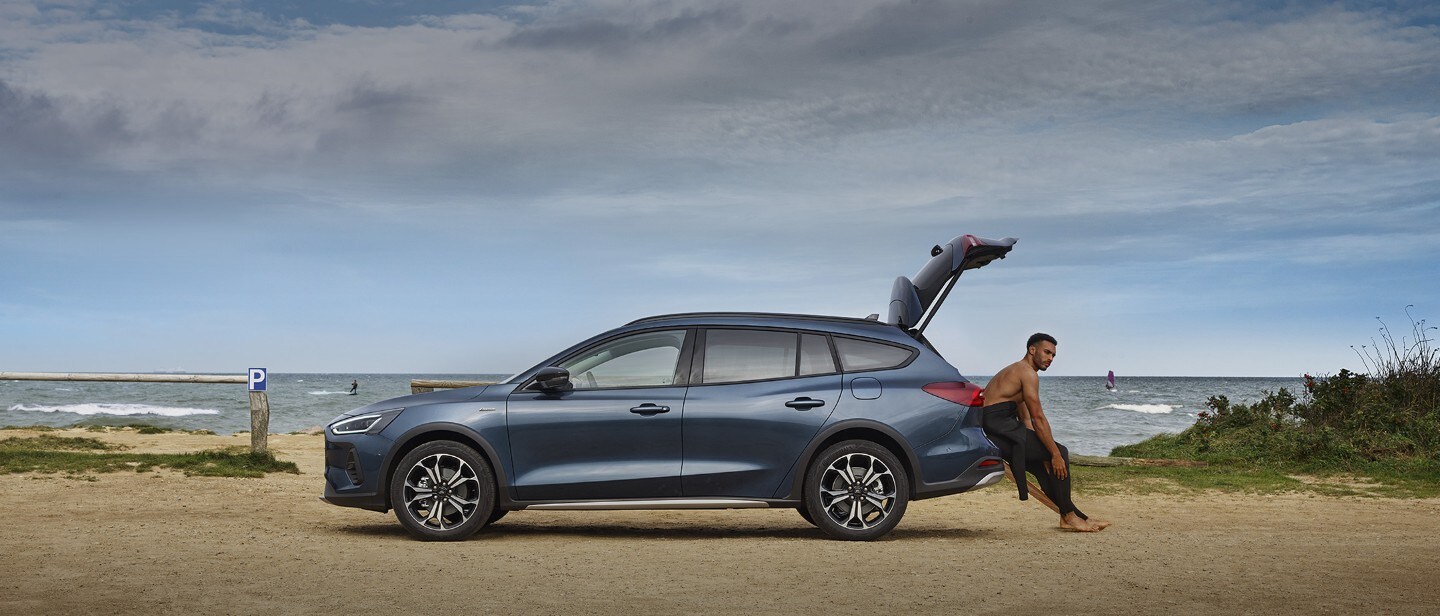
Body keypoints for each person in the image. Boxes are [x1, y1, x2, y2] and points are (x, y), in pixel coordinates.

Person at [982, 333, 1110, 532]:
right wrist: (1055, 453)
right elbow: (1038, 418)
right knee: (1061, 453)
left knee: (1044, 467)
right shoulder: (1027, 373)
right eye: (1047, 352)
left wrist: (1041, 450)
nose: (1050, 358)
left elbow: (1026, 421)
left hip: (1001, 427)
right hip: (997, 429)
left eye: (1053, 355)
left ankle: (1076, 516)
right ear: (1032, 350)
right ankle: (1069, 516)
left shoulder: (1018, 370)